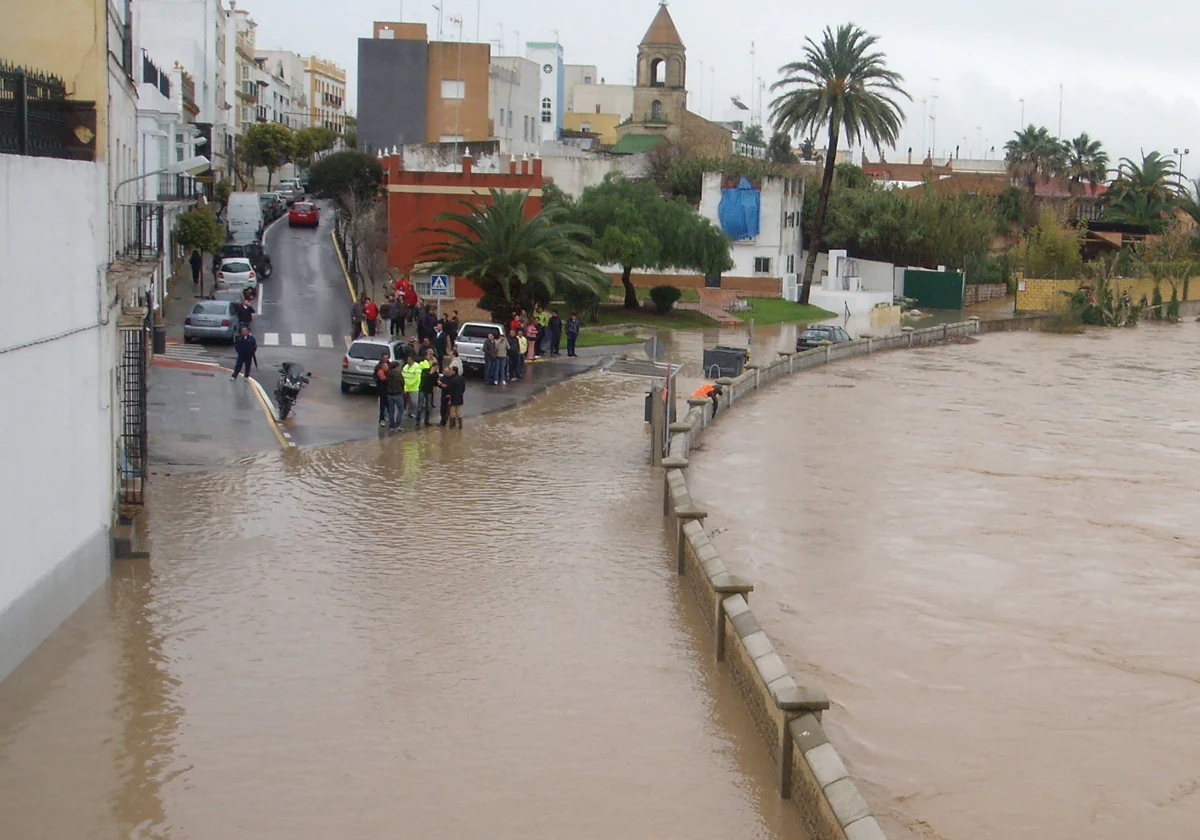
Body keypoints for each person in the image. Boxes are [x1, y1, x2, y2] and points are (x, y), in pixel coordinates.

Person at [401, 354, 423, 427]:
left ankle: (415, 413)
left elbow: (417, 378)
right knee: (408, 401)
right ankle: (409, 413)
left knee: (414, 402)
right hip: (406, 387)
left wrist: (409, 384)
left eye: (409, 359)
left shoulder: (417, 367)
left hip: (413, 388)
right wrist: (404, 385)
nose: (407, 360)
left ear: (412, 360)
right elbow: (402, 375)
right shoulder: (406, 367)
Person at [417, 355, 439, 427]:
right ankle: (418, 420)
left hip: (429, 391)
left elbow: (435, 383)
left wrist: (435, 388)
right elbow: (424, 378)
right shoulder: (425, 371)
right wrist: (430, 373)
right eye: (435, 368)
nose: (436, 369)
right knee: (420, 405)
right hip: (423, 389)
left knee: (428, 406)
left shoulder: (436, 374)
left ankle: (427, 420)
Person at [386, 358, 405, 431]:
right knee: (401, 409)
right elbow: (402, 382)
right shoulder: (398, 374)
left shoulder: (388, 373)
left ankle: (391, 426)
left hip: (389, 394)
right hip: (397, 394)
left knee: (391, 410)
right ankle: (397, 425)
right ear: (396, 367)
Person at [374, 351, 391, 427]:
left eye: (386, 358)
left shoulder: (389, 364)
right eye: (384, 358)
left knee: (389, 404)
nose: (385, 359)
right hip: (382, 388)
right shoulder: (379, 367)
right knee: (382, 404)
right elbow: (381, 378)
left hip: (389, 388)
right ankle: (382, 419)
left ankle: (389, 417)